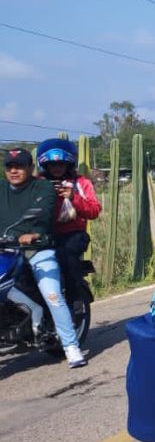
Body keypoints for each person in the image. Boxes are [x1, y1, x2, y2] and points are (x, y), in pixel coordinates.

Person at [1, 148, 83, 367]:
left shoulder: (43, 187)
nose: (14, 171)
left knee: (52, 294)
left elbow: (45, 213)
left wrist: (34, 234)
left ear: (30, 168)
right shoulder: (1, 189)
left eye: (19, 166)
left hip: (38, 248)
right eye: (9, 166)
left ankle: (71, 346)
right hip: (6, 249)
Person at [36, 138, 100, 306]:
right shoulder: (37, 183)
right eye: (52, 164)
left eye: (61, 164)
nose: (57, 168)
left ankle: (75, 299)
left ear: (69, 164)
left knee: (65, 253)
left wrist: (73, 198)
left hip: (73, 234)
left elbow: (94, 211)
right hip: (41, 234)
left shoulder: (81, 183)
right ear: (45, 165)